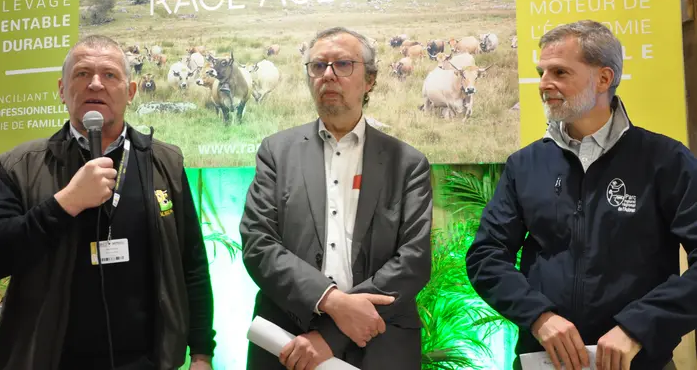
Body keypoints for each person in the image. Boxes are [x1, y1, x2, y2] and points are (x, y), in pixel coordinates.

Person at [0, 35, 216, 370]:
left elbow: (192, 265)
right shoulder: (24, 165)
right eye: (82, 74)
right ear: (61, 89)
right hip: (53, 361)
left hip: (146, 362)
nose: (95, 84)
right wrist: (64, 204)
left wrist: (202, 354)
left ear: (130, 93)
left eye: (110, 75)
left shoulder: (165, 162)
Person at [465, 20, 697, 370]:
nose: (543, 84)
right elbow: (486, 255)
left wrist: (638, 327)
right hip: (543, 359)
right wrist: (539, 317)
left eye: (559, 72)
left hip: (639, 361)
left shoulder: (665, 160)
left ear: (603, 79)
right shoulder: (525, 164)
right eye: (541, 72)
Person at [240, 27, 433, 370]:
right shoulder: (276, 152)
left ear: (369, 80)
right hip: (287, 340)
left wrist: (331, 335)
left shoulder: (408, 163)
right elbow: (259, 244)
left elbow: (413, 261)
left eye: (343, 64)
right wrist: (328, 300)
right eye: (318, 66)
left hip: (379, 340)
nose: (328, 75)